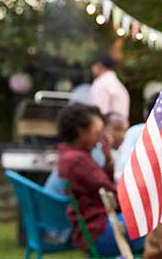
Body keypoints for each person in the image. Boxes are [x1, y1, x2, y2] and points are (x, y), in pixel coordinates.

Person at [56, 104, 143, 256]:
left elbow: (102, 186)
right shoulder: (76, 160)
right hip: (98, 231)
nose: (100, 138)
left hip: (93, 229)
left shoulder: (70, 155)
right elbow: (111, 194)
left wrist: (107, 156)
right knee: (154, 223)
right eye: (98, 133)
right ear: (82, 132)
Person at [90, 54, 130, 118]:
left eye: (93, 65)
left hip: (108, 126)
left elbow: (99, 113)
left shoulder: (100, 83)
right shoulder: (118, 84)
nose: (92, 69)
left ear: (100, 65)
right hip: (122, 125)